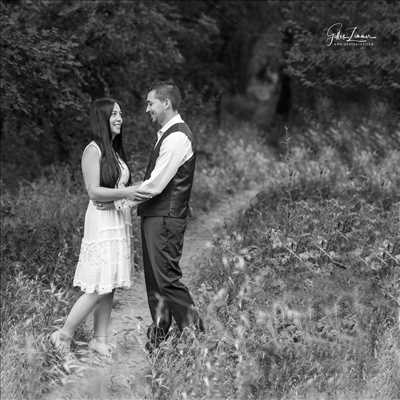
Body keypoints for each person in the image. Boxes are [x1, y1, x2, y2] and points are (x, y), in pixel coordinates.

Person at [50, 98, 141, 357]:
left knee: (109, 283)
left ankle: (100, 340)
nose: (119, 118)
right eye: (114, 114)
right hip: (101, 222)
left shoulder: (115, 151)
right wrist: (129, 191)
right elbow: (93, 191)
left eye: (121, 114)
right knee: (97, 284)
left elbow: (118, 193)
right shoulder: (93, 149)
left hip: (116, 220)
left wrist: (134, 197)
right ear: (102, 118)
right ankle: (63, 335)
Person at [128, 81, 204, 350]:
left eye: (151, 103)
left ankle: (196, 337)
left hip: (165, 218)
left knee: (166, 280)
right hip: (156, 217)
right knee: (155, 283)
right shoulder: (166, 134)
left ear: (166, 103)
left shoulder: (177, 137)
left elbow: (156, 184)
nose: (147, 108)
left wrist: (124, 198)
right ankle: (159, 340)